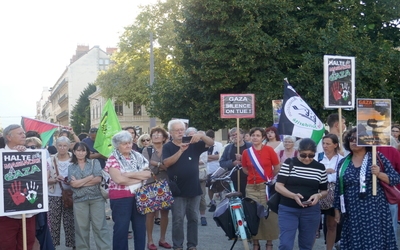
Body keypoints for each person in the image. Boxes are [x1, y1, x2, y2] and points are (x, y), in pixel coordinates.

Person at [334, 128, 400, 249]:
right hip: (352, 211)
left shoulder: (376, 158)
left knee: (374, 242)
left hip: (374, 210)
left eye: (357, 139)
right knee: (354, 242)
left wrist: (380, 174)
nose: (353, 141)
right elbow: (338, 187)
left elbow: (395, 179)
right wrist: (337, 210)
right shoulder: (343, 162)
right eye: (351, 139)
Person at [162, 120, 214, 250]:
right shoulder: (168, 147)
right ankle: (178, 245)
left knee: (194, 219)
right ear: (170, 133)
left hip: (194, 188)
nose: (180, 132)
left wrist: (201, 135)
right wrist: (180, 150)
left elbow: (211, 143)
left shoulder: (194, 144)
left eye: (182, 129)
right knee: (178, 220)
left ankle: (192, 245)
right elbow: (166, 163)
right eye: (177, 130)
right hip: (177, 189)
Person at [275, 138, 328, 250]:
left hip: (310, 211)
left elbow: (324, 190)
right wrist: (293, 195)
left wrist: (318, 196)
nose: (307, 158)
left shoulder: (320, 167)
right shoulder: (289, 163)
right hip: (288, 209)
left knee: (307, 245)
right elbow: (278, 185)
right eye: (303, 155)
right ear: (298, 151)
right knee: (285, 244)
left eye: (311, 155)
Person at [104, 131, 151, 250]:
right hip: (120, 198)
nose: (128, 146)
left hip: (139, 196)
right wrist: (138, 178)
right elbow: (119, 179)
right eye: (124, 143)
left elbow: (148, 174)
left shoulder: (138, 156)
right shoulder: (113, 159)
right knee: (121, 229)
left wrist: (128, 174)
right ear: (117, 145)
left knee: (140, 228)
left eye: (129, 142)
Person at [241, 127, 280, 250]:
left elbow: (277, 167)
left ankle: (269, 243)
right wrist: (254, 176)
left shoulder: (269, 150)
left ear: (263, 138)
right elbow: (245, 169)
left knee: (268, 215)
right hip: (251, 187)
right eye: (253, 135)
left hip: (266, 187)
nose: (255, 137)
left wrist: (268, 178)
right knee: (253, 215)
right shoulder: (246, 152)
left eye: (258, 135)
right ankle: (256, 243)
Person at [0, 124, 37, 250]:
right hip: (7, 213)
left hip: (28, 213)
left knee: (27, 244)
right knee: (6, 245)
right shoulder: (1, 156)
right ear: (8, 137)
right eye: (20, 133)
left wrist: (24, 152)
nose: (24, 135)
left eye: (23, 133)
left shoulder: (31, 154)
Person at [68, 142, 111, 250]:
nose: (80, 153)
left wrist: (80, 182)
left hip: (96, 198)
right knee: (81, 228)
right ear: (74, 152)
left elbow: (98, 179)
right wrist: (89, 178)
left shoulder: (94, 162)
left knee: (100, 227)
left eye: (83, 150)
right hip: (79, 200)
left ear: (87, 152)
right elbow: (73, 184)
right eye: (78, 150)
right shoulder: (71, 167)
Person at [142, 126, 172, 249]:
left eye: (159, 134)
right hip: (151, 184)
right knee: (150, 214)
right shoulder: (146, 150)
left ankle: (162, 239)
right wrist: (160, 164)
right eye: (154, 134)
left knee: (165, 213)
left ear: (164, 137)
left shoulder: (169, 149)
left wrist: (156, 164)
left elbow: (170, 165)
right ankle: (150, 241)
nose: (156, 136)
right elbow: (146, 166)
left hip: (166, 183)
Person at [48, 136, 75, 249]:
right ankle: (53, 245)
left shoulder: (75, 159)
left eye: (65, 145)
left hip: (71, 195)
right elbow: (44, 179)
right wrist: (54, 179)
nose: (62, 148)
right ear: (56, 146)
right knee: (53, 223)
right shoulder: (49, 160)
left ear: (69, 146)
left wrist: (73, 180)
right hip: (54, 194)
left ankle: (73, 245)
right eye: (60, 145)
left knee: (71, 222)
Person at [318, 134, 343, 250]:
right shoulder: (317, 157)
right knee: (313, 226)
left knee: (332, 225)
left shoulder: (341, 159)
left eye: (328, 144)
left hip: (334, 194)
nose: (325, 146)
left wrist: (324, 173)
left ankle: (329, 248)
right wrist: (327, 171)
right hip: (317, 192)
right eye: (323, 143)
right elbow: (314, 175)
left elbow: (339, 176)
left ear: (335, 145)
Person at [219, 127, 251, 196]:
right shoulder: (228, 148)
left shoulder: (250, 146)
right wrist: (233, 163)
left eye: (236, 134)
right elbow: (222, 163)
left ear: (242, 135)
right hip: (232, 180)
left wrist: (243, 159)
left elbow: (256, 161)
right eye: (232, 135)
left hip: (248, 179)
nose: (234, 137)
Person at [205, 129, 223, 213]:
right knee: (210, 187)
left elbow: (219, 156)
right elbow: (202, 158)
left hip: (216, 169)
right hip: (208, 170)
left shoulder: (219, 145)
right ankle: (212, 202)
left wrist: (208, 158)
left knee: (219, 186)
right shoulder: (203, 145)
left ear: (213, 138)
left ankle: (221, 201)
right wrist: (213, 157)